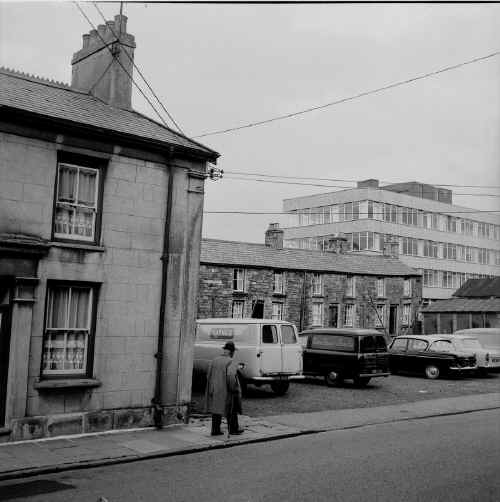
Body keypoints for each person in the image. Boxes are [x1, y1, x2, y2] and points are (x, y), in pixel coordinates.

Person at [205, 341, 243, 436]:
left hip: (214, 389)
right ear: (232, 352)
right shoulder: (232, 361)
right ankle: (233, 429)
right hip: (226, 390)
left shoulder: (214, 360)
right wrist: (233, 388)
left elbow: (208, 375)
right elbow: (230, 376)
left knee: (216, 410)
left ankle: (215, 430)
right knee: (232, 409)